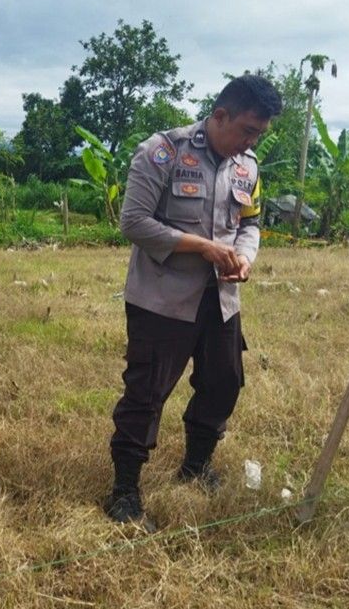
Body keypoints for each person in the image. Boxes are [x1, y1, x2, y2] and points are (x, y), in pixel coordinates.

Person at [105, 75, 283, 529]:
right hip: (162, 300)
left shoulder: (248, 166)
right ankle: (125, 490)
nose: (251, 140)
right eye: (247, 129)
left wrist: (244, 256)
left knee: (224, 382)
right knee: (147, 393)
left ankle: (196, 466)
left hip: (221, 300)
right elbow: (134, 223)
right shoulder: (163, 151)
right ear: (220, 115)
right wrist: (201, 247)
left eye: (258, 133)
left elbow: (251, 224)